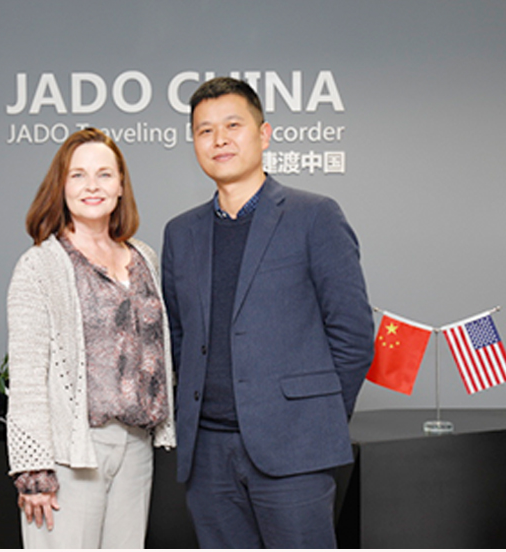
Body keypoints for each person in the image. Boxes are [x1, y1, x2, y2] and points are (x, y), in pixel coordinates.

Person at [161, 77, 374, 548]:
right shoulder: (180, 233)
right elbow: (179, 336)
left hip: (295, 451)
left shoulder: (314, 215)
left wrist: (313, 420)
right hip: (207, 456)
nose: (219, 140)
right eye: (205, 130)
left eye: (232, 125)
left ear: (264, 134)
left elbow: (354, 336)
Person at [6, 127, 175, 549]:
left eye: (104, 174)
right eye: (78, 175)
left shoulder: (145, 258)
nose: (92, 186)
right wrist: (34, 471)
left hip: (136, 447)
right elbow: (27, 378)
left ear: (120, 186)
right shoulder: (39, 265)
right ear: (61, 187)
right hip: (71, 453)